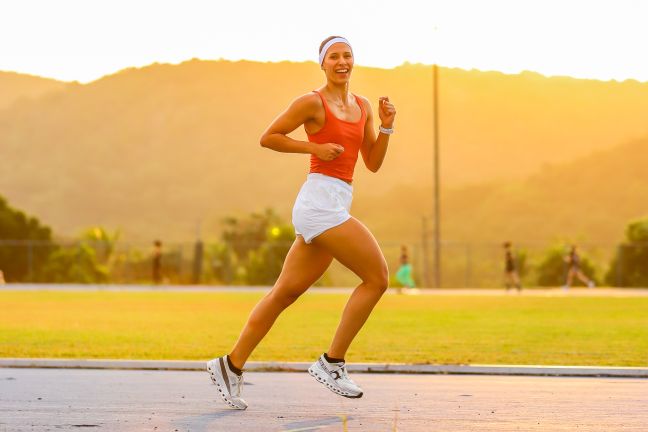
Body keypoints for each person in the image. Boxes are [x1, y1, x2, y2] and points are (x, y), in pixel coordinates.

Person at [206, 36, 396, 410]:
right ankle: (332, 363)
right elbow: (269, 137)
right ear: (322, 64)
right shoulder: (312, 102)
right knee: (377, 278)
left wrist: (387, 127)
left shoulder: (362, 107)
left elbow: (372, 162)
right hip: (318, 204)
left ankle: (229, 365)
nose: (342, 61)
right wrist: (314, 148)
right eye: (333, 56)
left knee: (284, 293)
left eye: (347, 55)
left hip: (337, 200)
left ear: (353, 61)